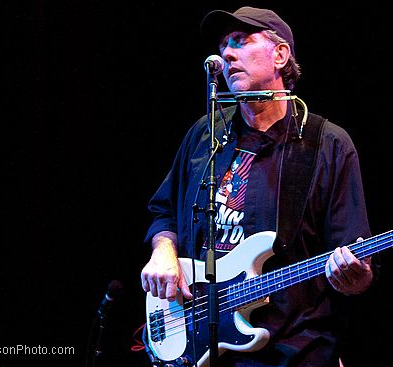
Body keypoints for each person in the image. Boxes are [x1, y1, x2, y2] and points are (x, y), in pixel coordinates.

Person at [141, 6, 374, 367]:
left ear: (280, 55)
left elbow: (354, 261)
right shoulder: (206, 132)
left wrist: (354, 277)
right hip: (195, 335)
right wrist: (163, 253)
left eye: (241, 41)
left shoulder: (326, 144)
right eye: (223, 45)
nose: (227, 53)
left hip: (293, 349)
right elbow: (163, 210)